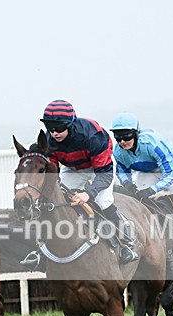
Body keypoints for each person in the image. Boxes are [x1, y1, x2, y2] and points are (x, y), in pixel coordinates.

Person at [37, 99, 138, 264]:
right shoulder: (50, 141)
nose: (54, 133)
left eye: (60, 128)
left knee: (103, 200)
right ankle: (42, 249)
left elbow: (104, 175)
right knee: (55, 200)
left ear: (70, 124)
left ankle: (127, 243)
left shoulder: (93, 136)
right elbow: (52, 172)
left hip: (97, 167)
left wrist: (88, 194)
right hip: (72, 168)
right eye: (50, 128)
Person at [110, 111, 173, 262]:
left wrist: (152, 189)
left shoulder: (152, 144)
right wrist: (127, 184)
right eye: (118, 137)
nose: (122, 142)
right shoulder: (119, 151)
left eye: (126, 136)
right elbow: (122, 170)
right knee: (138, 202)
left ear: (136, 133)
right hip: (147, 170)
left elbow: (171, 173)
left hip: (170, 167)